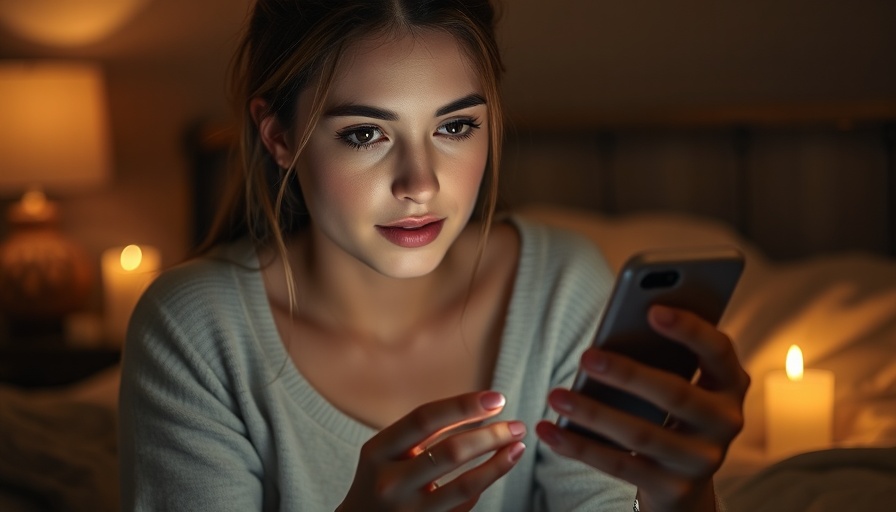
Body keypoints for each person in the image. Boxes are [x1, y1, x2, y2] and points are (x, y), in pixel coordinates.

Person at [118, 0, 750, 510]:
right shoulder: (195, 330)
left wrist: (686, 499)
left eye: (455, 127)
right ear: (279, 135)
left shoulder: (561, 286)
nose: (419, 182)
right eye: (364, 134)